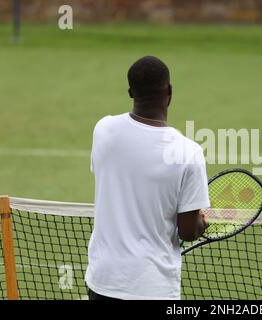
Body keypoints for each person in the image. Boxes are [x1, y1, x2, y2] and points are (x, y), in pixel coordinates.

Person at [85, 56, 209, 300]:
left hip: (102, 282)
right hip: (153, 288)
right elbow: (187, 231)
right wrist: (202, 223)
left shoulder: (103, 130)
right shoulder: (189, 152)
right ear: (170, 91)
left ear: (131, 92)